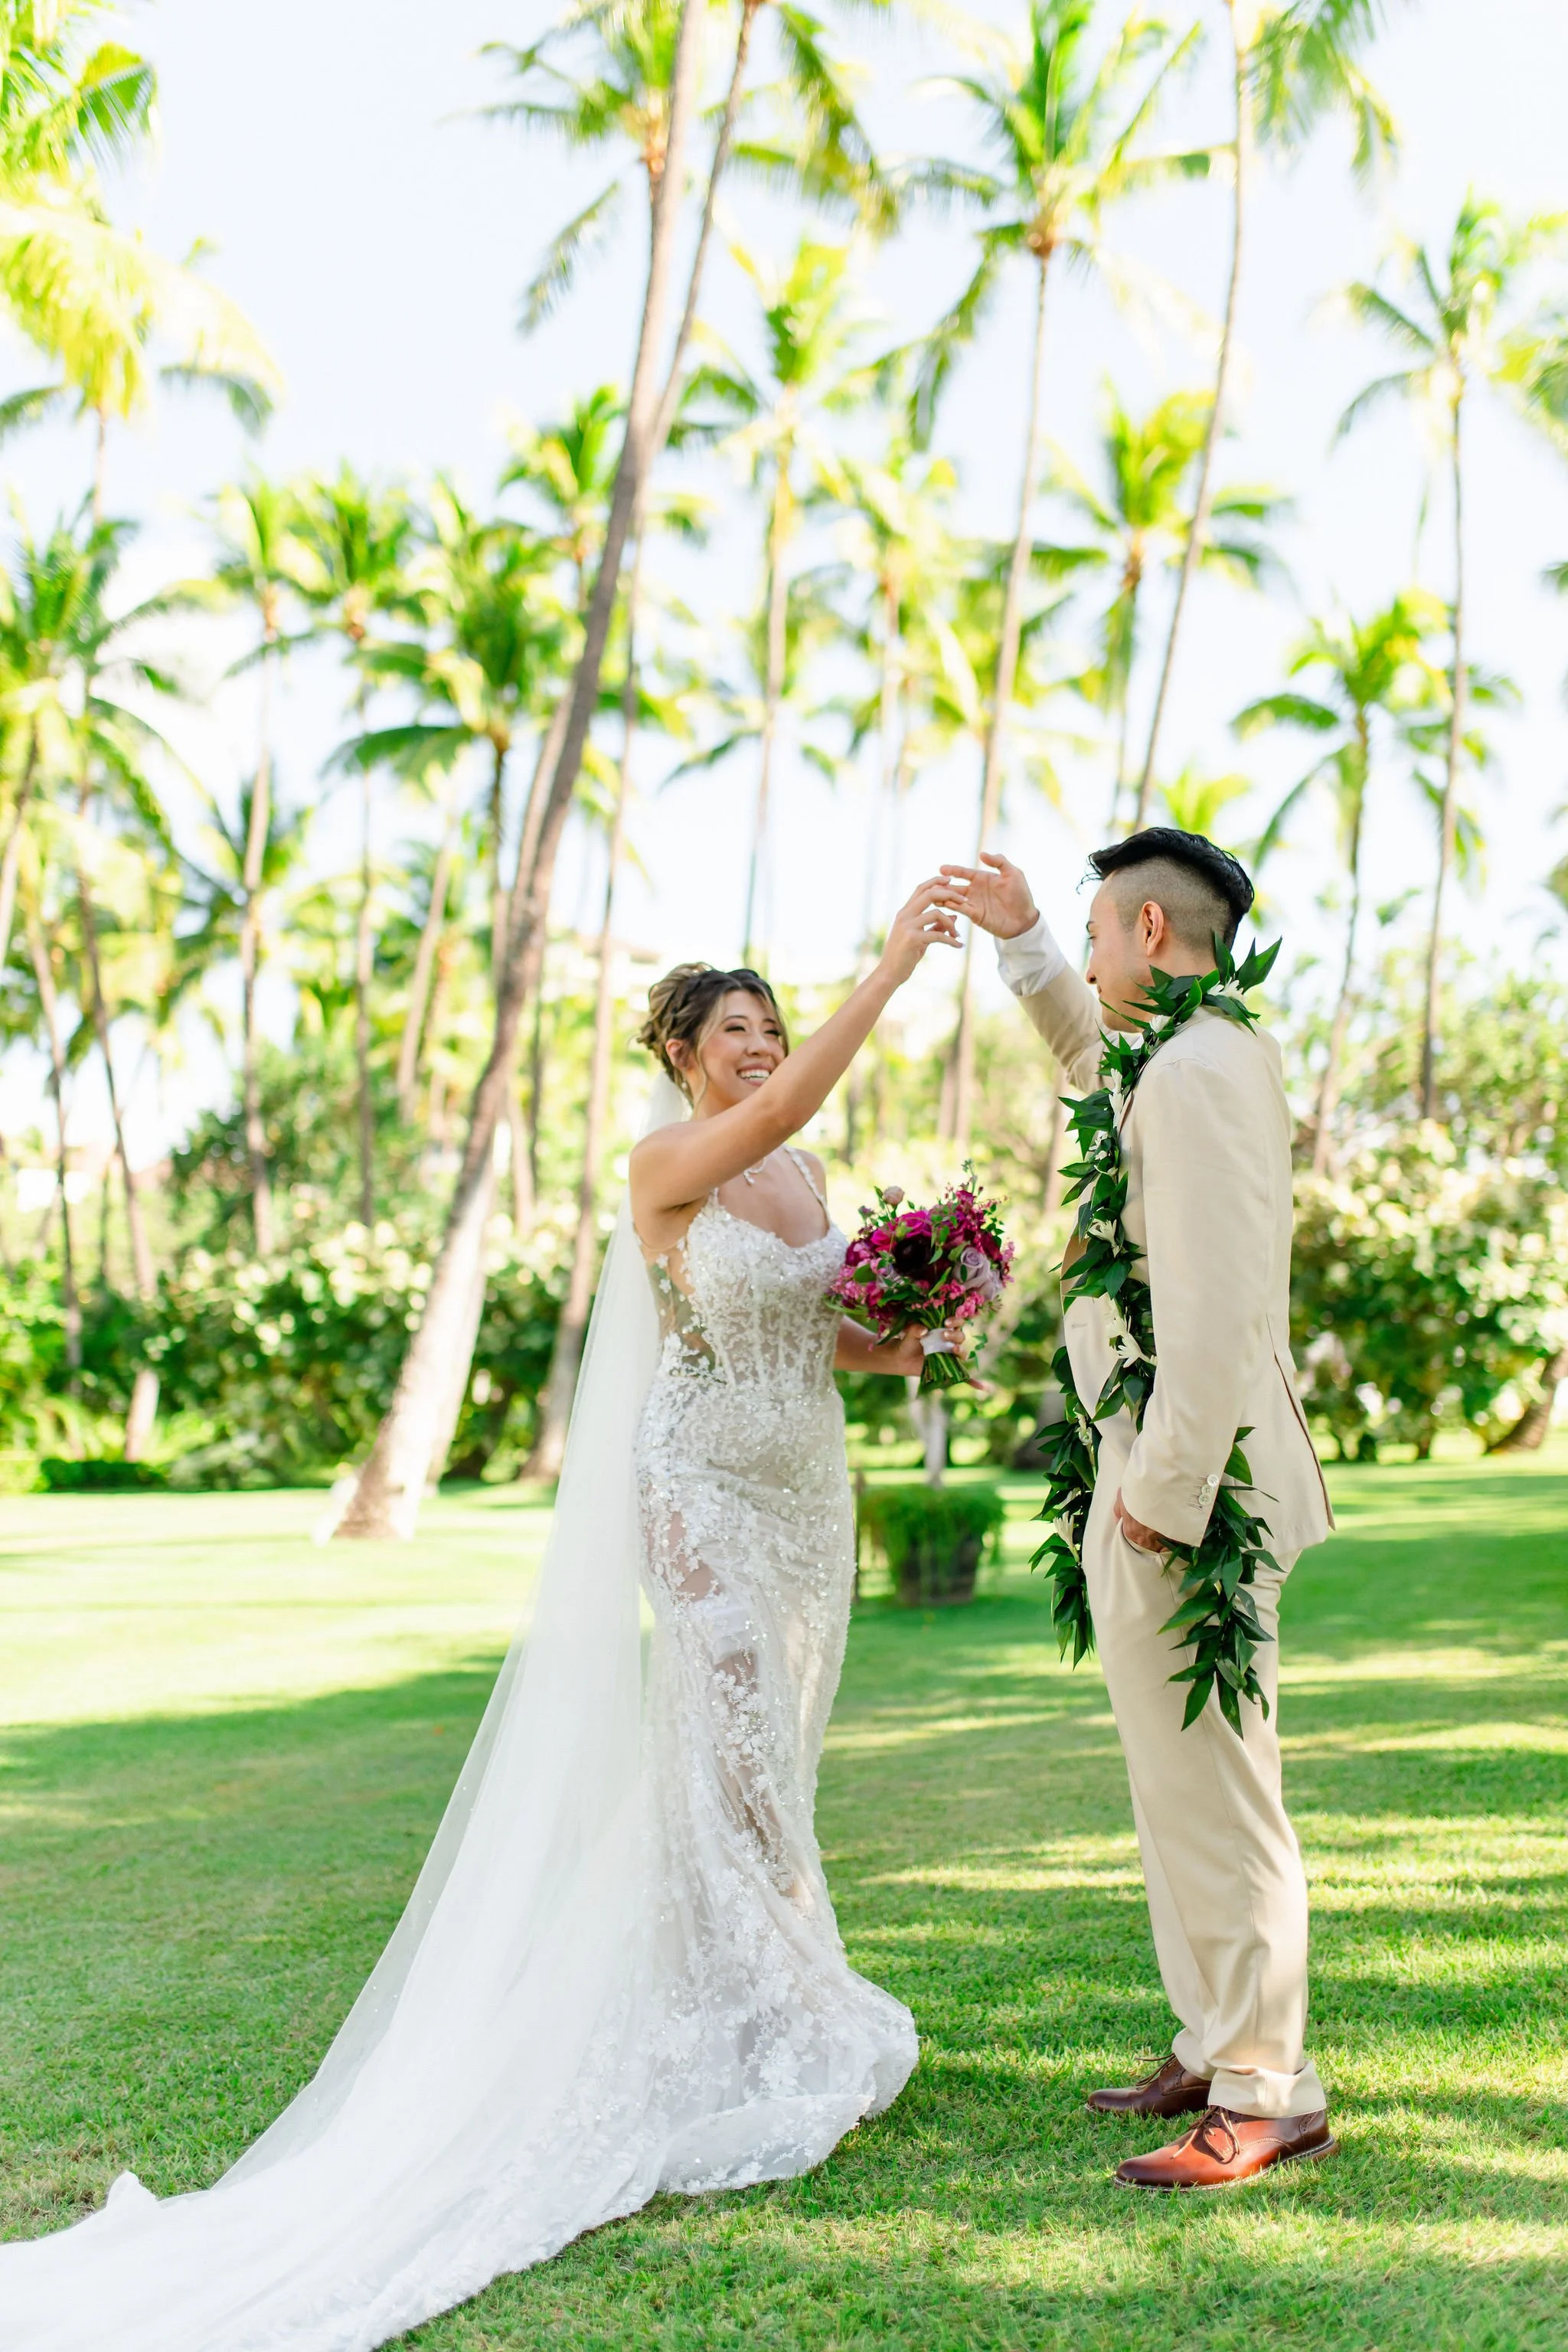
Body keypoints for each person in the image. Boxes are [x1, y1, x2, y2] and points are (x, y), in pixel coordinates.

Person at [0, 879, 959, 2350]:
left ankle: (757, 1997)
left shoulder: (809, 1181)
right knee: (733, 1737)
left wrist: (933, 1320)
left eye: (773, 1025)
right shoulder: (674, 1163)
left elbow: (828, 1338)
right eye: (738, 1029)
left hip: (806, 1498)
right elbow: (756, 1156)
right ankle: (769, 2011)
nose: (762, 1049)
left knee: (780, 1746)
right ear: (688, 1056)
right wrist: (889, 969)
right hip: (699, 1489)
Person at [942, 831, 1336, 2192]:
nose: (1093, 954)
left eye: (1099, 934)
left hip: (1193, 1487)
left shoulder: (1206, 1070)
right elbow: (1084, 1056)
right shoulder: (1166, 1060)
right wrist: (1027, 945)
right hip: (1151, 1470)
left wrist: (1164, 1500)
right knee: (1172, 1786)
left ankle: (1267, 2087)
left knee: (1220, 1791)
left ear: (1153, 938)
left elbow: (1224, 1306)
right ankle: (1213, 2038)